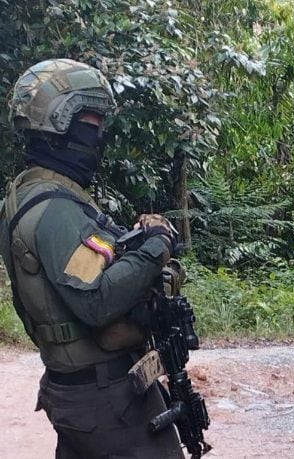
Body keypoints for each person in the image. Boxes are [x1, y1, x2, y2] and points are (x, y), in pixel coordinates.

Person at [0, 59, 184, 458]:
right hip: (105, 398)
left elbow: (92, 264)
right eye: (93, 122)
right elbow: (97, 301)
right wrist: (157, 245)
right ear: (59, 121)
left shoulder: (31, 195)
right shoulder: (55, 211)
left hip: (81, 390)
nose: (99, 135)